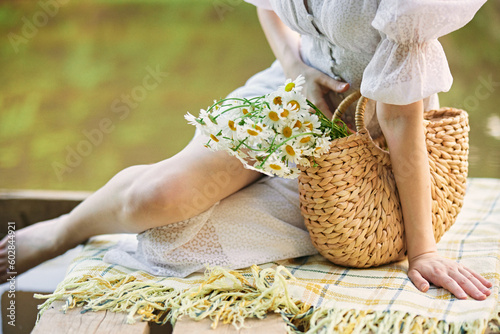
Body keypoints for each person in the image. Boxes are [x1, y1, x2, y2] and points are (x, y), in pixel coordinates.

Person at [0, 0, 492, 300]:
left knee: (179, 245)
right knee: (158, 199)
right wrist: (295, 68)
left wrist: (422, 251)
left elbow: (400, 120)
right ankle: (60, 231)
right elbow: (269, 6)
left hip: (369, 131)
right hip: (292, 92)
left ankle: (289, 196)